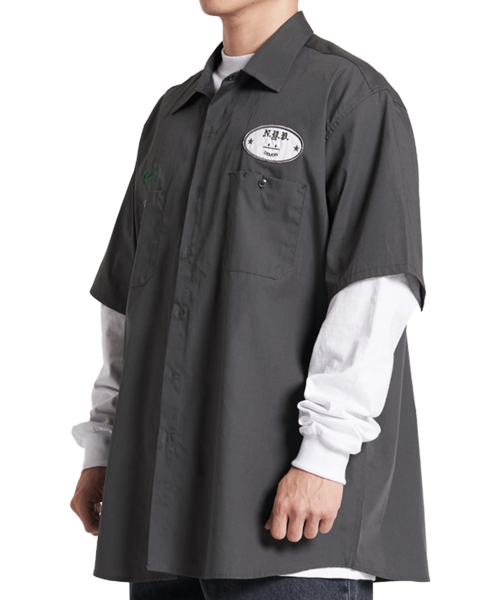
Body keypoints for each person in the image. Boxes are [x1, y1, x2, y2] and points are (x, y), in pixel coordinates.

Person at [70, 1, 430, 598]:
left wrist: (323, 456)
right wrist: (103, 445)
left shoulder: (351, 98)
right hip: (159, 511)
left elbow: (376, 288)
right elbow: (128, 297)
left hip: (290, 519)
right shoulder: (172, 115)